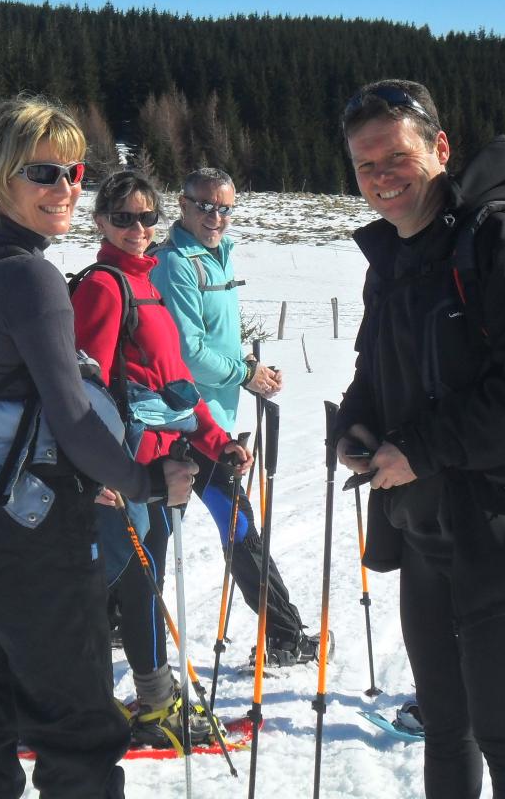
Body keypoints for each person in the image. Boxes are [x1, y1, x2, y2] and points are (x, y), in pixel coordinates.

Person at [0, 96, 197, 799]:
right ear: (0, 174)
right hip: (25, 516)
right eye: (45, 172)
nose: (66, 187)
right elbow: (70, 418)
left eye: (73, 171)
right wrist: (145, 481)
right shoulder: (30, 276)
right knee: (76, 721)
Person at [334, 79, 505, 799]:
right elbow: (374, 373)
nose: (383, 178)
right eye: (366, 165)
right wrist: (354, 426)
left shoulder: (499, 241)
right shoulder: (392, 259)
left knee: (504, 735)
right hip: (425, 530)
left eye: (396, 156)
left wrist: (420, 449)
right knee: (445, 730)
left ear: (439, 148)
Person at [71, 168, 253, 749]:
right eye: (123, 217)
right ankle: (69, 700)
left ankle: (152, 701)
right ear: (100, 222)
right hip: (121, 469)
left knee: (142, 580)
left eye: (146, 217)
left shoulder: (145, 284)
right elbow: (83, 391)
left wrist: (213, 437)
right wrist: (95, 469)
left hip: (155, 467)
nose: (138, 228)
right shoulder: (103, 286)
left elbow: (175, 383)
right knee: (115, 582)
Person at [151, 167, 324, 666]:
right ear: (182, 205)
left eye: (224, 207)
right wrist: (247, 372)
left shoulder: (217, 255)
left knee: (164, 528)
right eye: (205, 205)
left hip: (211, 421)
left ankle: (122, 621)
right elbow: (187, 353)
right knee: (235, 529)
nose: (215, 216)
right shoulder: (177, 263)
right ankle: (285, 636)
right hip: (184, 422)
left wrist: (247, 373)